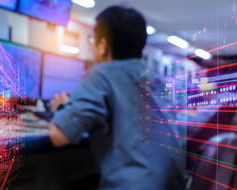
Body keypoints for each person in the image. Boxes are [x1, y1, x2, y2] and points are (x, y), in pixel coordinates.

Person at [49, 5, 185, 189]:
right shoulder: (157, 78)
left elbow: (59, 136)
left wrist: (61, 109)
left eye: (93, 39)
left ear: (103, 46)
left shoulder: (102, 73)